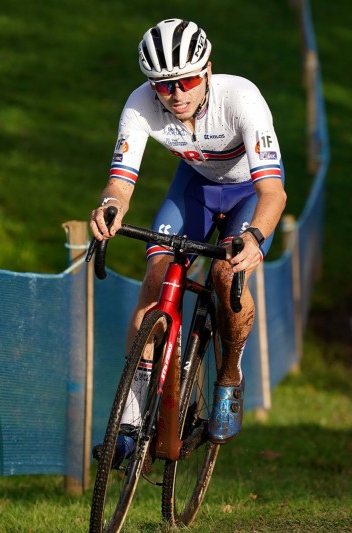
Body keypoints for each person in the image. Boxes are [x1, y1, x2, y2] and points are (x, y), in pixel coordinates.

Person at [90, 18, 287, 463]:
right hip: (195, 187)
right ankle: (130, 423)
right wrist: (109, 207)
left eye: (187, 80)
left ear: (208, 71)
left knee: (225, 273)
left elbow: (274, 192)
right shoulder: (140, 104)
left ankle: (231, 374)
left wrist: (254, 236)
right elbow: (119, 183)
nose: (176, 93)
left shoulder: (242, 99)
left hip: (249, 195)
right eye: (163, 85)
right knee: (156, 279)